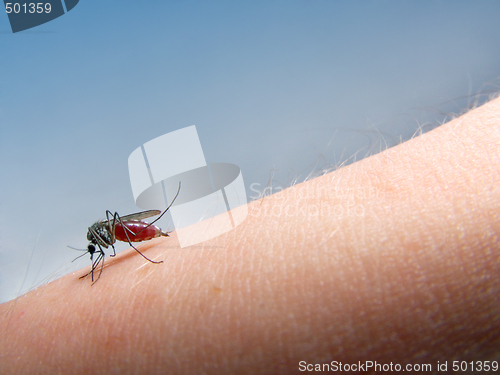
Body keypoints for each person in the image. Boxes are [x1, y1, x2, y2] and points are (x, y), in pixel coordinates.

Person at [1, 97, 499, 374]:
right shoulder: (98, 242)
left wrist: (135, 245)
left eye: (95, 254)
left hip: (130, 228)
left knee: (117, 224)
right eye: (96, 255)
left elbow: (107, 234)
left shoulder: (105, 237)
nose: (96, 256)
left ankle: (155, 230)